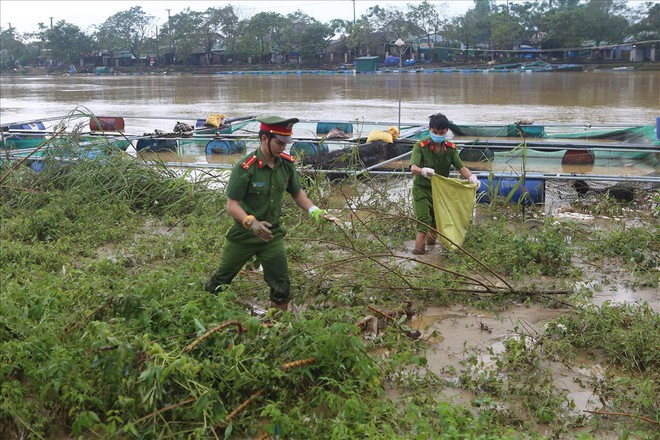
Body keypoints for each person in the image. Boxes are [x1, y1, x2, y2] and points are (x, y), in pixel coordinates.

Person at [205, 116, 336, 310]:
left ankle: (277, 327)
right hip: (243, 236)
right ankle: (207, 313)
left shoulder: (286, 164)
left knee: (281, 284)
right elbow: (232, 206)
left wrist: (316, 211)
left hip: (271, 236)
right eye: (279, 143)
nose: (284, 147)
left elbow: (297, 193)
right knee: (221, 281)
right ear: (264, 139)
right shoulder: (245, 168)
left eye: (286, 143)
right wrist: (252, 223)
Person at [409, 113, 481, 255]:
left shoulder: (450, 149)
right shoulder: (420, 146)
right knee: (424, 224)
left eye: (441, 133)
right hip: (421, 190)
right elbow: (413, 168)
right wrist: (422, 170)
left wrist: (472, 177)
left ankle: (431, 252)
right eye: (435, 132)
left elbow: (461, 168)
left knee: (436, 224)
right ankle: (419, 257)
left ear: (447, 131)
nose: (438, 135)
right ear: (430, 130)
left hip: (439, 192)